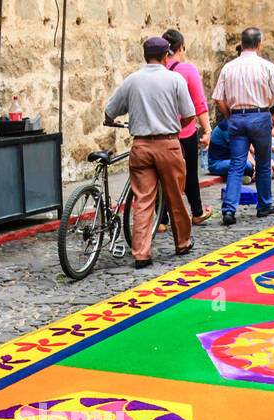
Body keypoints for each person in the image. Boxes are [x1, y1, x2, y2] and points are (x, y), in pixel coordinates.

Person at [104, 36, 194, 265]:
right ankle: (182, 243)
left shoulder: (132, 80)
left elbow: (110, 111)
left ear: (145, 56)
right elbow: (189, 114)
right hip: (168, 144)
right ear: (166, 56)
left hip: (141, 146)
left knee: (143, 200)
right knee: (175, 196)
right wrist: (174, 128)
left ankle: (141, 253)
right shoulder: (175, 79)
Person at [212, 27, 274, 225]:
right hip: (260, 116)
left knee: (237, 165)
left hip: (237, 118)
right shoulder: (266, 66)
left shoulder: (228, 67)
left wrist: (229, 116)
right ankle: (264, 204)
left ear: (241, 43)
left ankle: (229, 209)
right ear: (259, 45)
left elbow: (218, 98)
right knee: (264, 162)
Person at [162, 29, 215, 224]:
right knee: (190, 173)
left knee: (163, 177)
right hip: (184, 133)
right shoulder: (187, 71)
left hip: (161, 134)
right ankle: (197, 212)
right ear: (181, 48)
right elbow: (199, 104)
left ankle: (162, 220)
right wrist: (207, 130)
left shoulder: (154, 71)